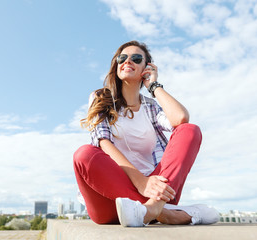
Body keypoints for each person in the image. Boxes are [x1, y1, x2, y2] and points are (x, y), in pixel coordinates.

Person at [73, 40, 219, 227]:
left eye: (136, 58)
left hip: (157, 191)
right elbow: (103, 142)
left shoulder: (151, 107)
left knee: (189, 130)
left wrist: (154, 85)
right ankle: (164, 215)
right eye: (122, 58)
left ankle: (152, 210)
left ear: (146, 68)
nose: (128, 61)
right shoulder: (100, 98)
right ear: (116, 65)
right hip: (110, 198)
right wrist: (141, 182)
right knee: (84, 154)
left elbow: (181, 118)